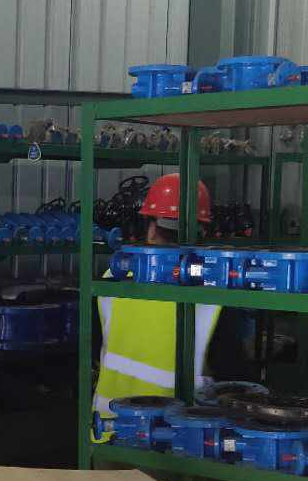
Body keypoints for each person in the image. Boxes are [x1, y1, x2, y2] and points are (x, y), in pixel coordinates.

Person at [93, 173, 234, 418]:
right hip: (177, 434)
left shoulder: (113, 277)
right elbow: (233, 381)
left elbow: (94, 347)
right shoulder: (214, 296)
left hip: (109, 427)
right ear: (201, 232)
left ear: (150, 226)